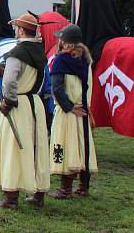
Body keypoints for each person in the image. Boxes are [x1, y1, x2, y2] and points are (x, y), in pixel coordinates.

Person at [0, 13, 49, 209]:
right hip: (34, 104)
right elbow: (23, 75)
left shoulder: (17, 52)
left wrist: (8, 102)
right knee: (36, 147)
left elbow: (11, 80)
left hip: (18, 105)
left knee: (14, 149)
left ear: (21, 30)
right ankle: (38, 194)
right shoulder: (39, 51)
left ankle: (10, 198)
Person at [48, 24, 97, 199]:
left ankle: (65, 189)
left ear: (67, 43)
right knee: (83, 148)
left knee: (65, 146)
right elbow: (88, 86)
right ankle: (84, 187)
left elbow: (57, 88)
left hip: (68, 111)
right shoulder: (85, 59)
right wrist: (84, 106)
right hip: (82, 109)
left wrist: (68, 106)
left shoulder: (61, 60)